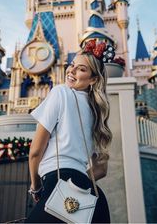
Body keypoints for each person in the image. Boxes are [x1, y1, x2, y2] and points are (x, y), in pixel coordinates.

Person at [26, 40, 112, 223]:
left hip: (58, 185)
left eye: (81, 69)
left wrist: (36, 187)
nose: (71, 71)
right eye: (72, 65)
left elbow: (35, 152)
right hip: (92, 198)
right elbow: (102, 169)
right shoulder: (98, 111)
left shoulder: (60, 93)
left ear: (94, 79)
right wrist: (78, 179)